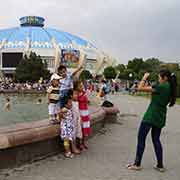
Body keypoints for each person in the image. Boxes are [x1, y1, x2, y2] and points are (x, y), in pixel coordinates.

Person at [127, 70, 177, 172]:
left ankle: (137, 164)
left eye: (159, 77)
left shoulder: (162, 86)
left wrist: (144, 77)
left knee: (141, 138)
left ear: (165, 78)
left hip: (151, 115)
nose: (158, 79)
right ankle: (160, 165)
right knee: (156, 140)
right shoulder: (169, 87)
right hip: (160, 116)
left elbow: (140, 88)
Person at [77, 81, 91, 150]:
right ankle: (80, 143)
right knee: (80, 128)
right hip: (80, 112)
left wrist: (87, 99)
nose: (81, 87)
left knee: (85, 128)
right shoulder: (76, 94)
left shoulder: (85, 93)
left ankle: (83, 142)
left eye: (82, 85)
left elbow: (88, 101)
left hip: (85, 112)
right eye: (80, 86)